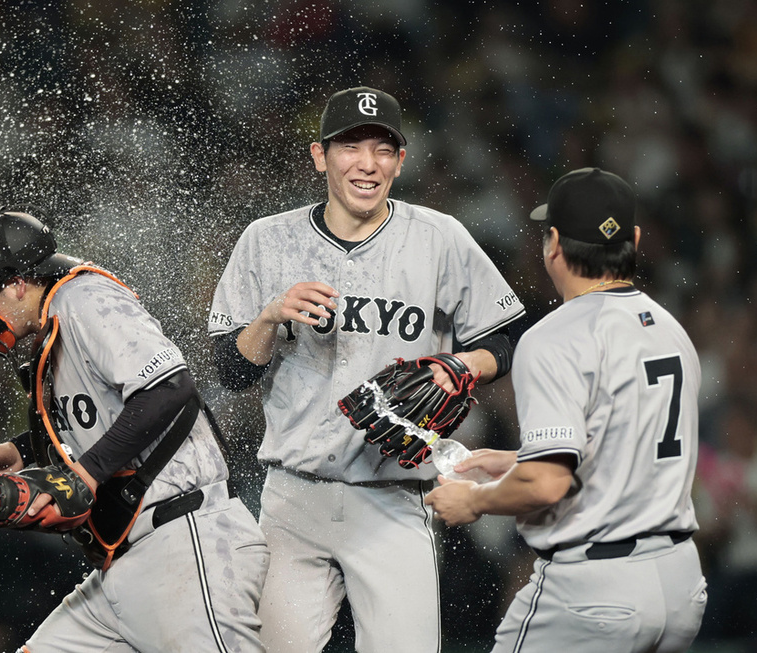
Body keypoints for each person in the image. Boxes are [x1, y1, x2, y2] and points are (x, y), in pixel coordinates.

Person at [207, 86, 526, 652]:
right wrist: (269, 316)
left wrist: (461, 365)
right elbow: (231, 371)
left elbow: (505, 338)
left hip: (394, 496)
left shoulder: (438, 237)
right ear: (319, 155)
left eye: (382, 149)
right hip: (292, 500)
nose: (367, 163)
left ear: (400, 161)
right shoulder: (267, 240)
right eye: (350, 146)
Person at [0, 210, 269, 653]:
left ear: (15, 284)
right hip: (122, 563)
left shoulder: (84, 298)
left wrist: (84, 474)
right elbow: (106, 415)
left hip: (184, 543)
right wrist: (22, 449)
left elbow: (169, 388)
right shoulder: (52, 319)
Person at [425, 167, 708, 652]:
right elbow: (623, 457)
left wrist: (473, 501)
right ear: (634, 240)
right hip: (681, 583)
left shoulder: (555, 336)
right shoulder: (670, 329)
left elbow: (547, 482)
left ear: (552, 243)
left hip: (595, 592)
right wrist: (517, 460)